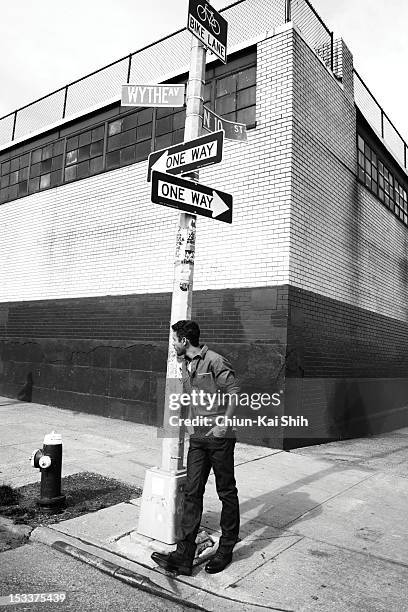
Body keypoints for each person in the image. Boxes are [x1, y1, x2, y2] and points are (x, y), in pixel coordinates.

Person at [151, 319, 240, 576]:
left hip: (219, 437)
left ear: (184, 341)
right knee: (192, 492)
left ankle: (226, 549)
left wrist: (224, 424)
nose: (173, 345)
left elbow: (234, 390)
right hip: (198, 438)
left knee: (226, 492)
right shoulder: (186, 364)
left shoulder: (214, 360)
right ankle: (183, 555)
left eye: (174, 340)